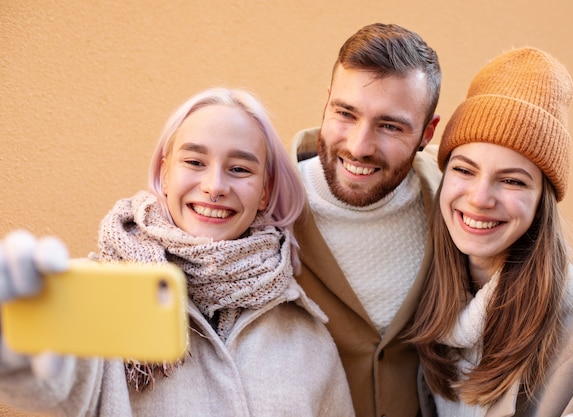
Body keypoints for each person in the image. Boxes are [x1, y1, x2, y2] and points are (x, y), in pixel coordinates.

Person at [0, 88, 355, 416]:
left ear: (264, 191)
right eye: (195, 162)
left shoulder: (306, 336)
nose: (214, 186)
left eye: (240, 169)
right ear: (165, 172)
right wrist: (17, 347)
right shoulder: (103, 293)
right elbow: (52, 381)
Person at [408, 47, 573, 416]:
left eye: (511, 180)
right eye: (464, 170)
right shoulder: (431, 293)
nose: (479, 199)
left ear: (543, 199)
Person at [292, 23, 442, 417]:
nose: (359, 147)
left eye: (390, 125)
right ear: (326, 104)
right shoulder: (265, 207)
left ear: (427, 131)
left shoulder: (455, 208)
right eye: (346, 113)